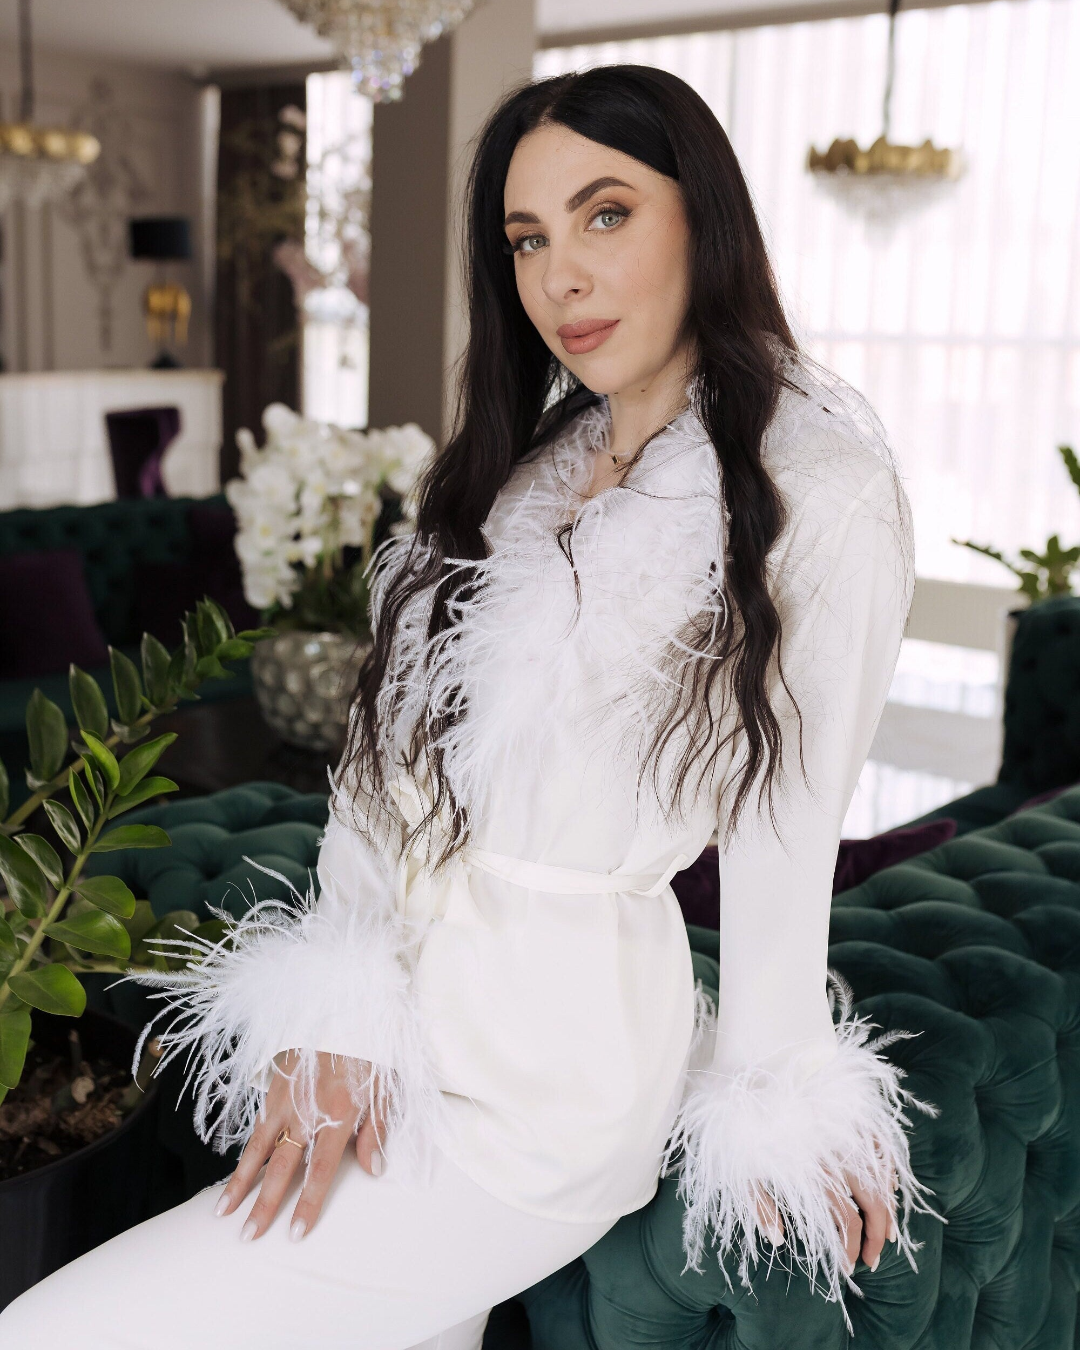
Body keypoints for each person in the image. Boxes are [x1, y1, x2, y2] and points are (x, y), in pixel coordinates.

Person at [0, 63, 945, 1349]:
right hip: (404, 1013)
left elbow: (792, 813)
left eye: (606, 214)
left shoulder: (816, 487)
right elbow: (386, 771)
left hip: (557, 1076)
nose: (560, 276)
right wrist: (337, 1008)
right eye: (527, 239)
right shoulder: (530, 471)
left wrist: (780, 1095)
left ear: (703, 216)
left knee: (59, 1329)